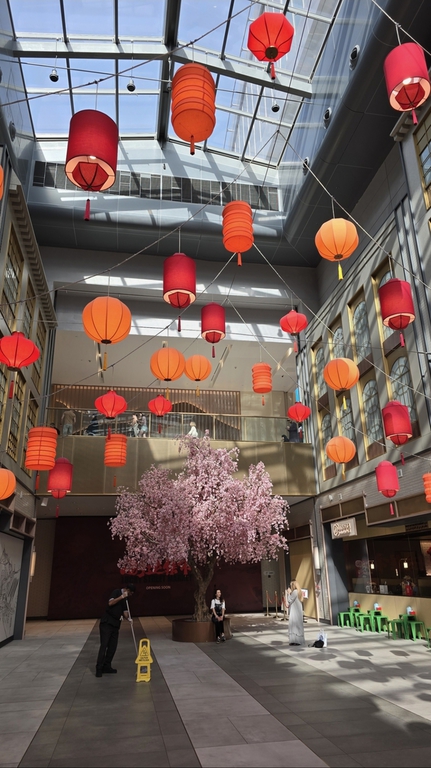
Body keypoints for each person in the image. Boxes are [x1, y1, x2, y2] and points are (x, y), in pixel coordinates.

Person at [95, 584, 135, 677]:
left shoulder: (126, 599)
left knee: (112, 647)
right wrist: (121, 597)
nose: (130, 595)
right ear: (127, 590)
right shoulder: (116, 592)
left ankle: (107, 666)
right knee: (104, 645)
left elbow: (125, 612)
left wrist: (128, 618)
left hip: (116, 625)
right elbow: (110, 603)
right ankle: (99, 668)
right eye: (130, 593)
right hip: (107, 623)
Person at [287, 579, 305, 646]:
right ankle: (298, 640)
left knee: (294, 625)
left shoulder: (295, 592)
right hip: (298, 611)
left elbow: (289, 600)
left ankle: (295, 640)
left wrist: (289, 593)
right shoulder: (299, 591)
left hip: (294, 611)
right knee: (298, 625)